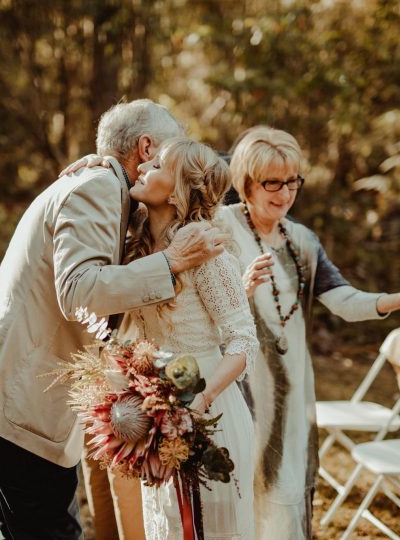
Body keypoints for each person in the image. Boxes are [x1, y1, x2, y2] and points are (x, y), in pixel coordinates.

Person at [0, 99, 230, 540]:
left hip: (9, 387)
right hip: (19, 394)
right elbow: (80, 291)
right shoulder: (95, 187)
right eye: (171, 149)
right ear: (147, 147)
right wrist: (169, 263)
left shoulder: (107, 189)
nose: (176, 158)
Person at [218, 126, 400, 539]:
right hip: (233, 388)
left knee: (285, 496)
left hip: (289, 393)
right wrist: (238, 291)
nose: (285, 194)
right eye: (272, 183)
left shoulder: (300, 239)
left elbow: (344, 301)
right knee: (233, 496)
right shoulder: (218, 230)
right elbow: (195, 309)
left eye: (292, 183)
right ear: (245, 181)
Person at [121, 137, 258, 539]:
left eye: (158, 165)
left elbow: (243, 340)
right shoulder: (139, 243)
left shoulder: (208, 250)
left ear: (182, 188)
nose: (143, 168)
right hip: (155, 403)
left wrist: (200, 401)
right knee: (165, 523)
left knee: (208, 525)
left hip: (208, 407)